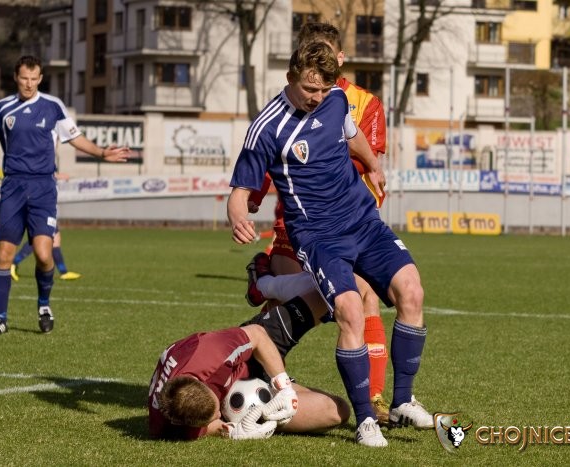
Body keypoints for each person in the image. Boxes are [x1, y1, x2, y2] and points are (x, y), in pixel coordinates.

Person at [228, 42, 431, 447]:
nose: (317, 97)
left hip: (363, 221)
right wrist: (237, 216)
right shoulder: (266, 127)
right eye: (310, 89)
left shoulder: (336, 98)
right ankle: (365, 420)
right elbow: (240, 190)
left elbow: (352, 135)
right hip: (319, 235)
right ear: (291, 77)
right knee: (350, 310)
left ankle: (403, 401)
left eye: (324, 89)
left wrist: (373, 165)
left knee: (412, 291)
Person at [244, 21, 391, 424]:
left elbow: (364, 153)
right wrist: (253, 195)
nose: (319, 61)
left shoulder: (362, 102)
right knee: (304, 303)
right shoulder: (288, 103)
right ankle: (261, 379)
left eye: (326, 53)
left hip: (349, 219)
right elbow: (269, 153)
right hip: (298, 223)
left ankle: (374, 400)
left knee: (361, 298)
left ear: (339, 57)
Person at [0, 55, 131, 335]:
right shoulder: (2, 108)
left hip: (43, 188)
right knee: (3, 253)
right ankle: (0, 319)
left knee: (43, 254)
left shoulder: (53, 106)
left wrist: (102, 153)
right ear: (16, 78)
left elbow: (75, 138)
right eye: (24, 78)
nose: (29, 83)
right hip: (13, 187)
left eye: (34, 78)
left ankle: (43, 305)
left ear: (40, 78)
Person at [148, 323, 350, 441]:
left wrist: (284, 388)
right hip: (245, 400)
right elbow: (208, 427)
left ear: (203, 383)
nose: (218, 415)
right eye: (212, 417)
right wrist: (234, 431)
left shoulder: (210, 355)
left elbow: (257, 333)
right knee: (337, 412)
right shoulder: (167, 423)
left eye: (215, 411)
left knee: (314, 301)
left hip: (252, 360)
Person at [11, 228, 81, 281]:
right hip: (40, 214)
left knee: (54, 238)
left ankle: (63, 272)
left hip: (45, 213)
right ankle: (13, 263)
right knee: (38, 239)